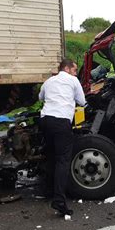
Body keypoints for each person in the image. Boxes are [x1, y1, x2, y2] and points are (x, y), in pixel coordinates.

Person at [39, 58, 86, 216]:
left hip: (45, 121)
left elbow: (41, 98)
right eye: (74, 69)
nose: (75, 73)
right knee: (63, 160)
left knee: (50, 155)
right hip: (61, 122)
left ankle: (48, 190)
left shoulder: (49, 81)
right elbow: (82, 101)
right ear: (67, 68)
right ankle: (59, 200)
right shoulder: (73, 80)